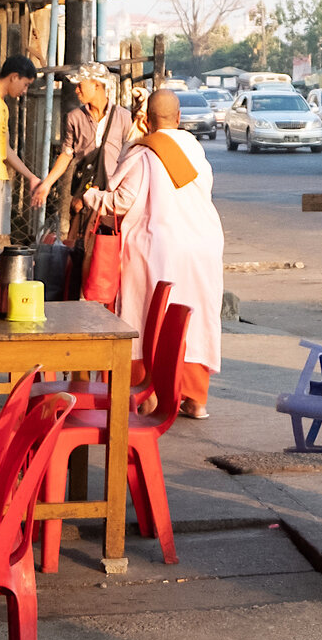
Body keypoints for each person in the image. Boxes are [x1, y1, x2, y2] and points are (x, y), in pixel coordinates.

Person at [92, 89, 224, 418]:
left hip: (158, 249)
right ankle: (194, 399)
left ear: (146, 120)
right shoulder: (195, 151)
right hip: (202, 247)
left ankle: (148, 394)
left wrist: (92, 197)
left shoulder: (142, 153)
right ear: (179, 119)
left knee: (145, 318)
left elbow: (122, 202)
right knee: (194, 321)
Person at [56, 68, 138, 304]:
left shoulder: (123, 117)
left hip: (111, 198)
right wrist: (47, 182)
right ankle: (79, 303)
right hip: (83, 197)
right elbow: (67, 155)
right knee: (79, 250)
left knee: (108, 252)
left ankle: (107, 300)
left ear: (98, 86)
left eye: (82, 85)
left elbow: (129, 157)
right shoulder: (74, 118)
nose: (77, 90)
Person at [0, 55, 46, 267]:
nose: (25, 90)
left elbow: (6, 148)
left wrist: (30, 177)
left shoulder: (2, 106)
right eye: (25, 84)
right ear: (14, 77)